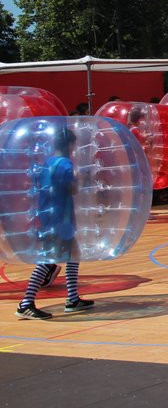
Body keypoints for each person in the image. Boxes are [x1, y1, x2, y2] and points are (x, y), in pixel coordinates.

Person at [16, 125, 93, 319]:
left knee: (73, 254)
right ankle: (26, 302)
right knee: (48, 259)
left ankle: (73, 298)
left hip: (50, 216)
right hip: (61, 218)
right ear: (69, 144)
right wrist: (82, 177)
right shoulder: (66, 164)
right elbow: (73, 189)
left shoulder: (48, 162)